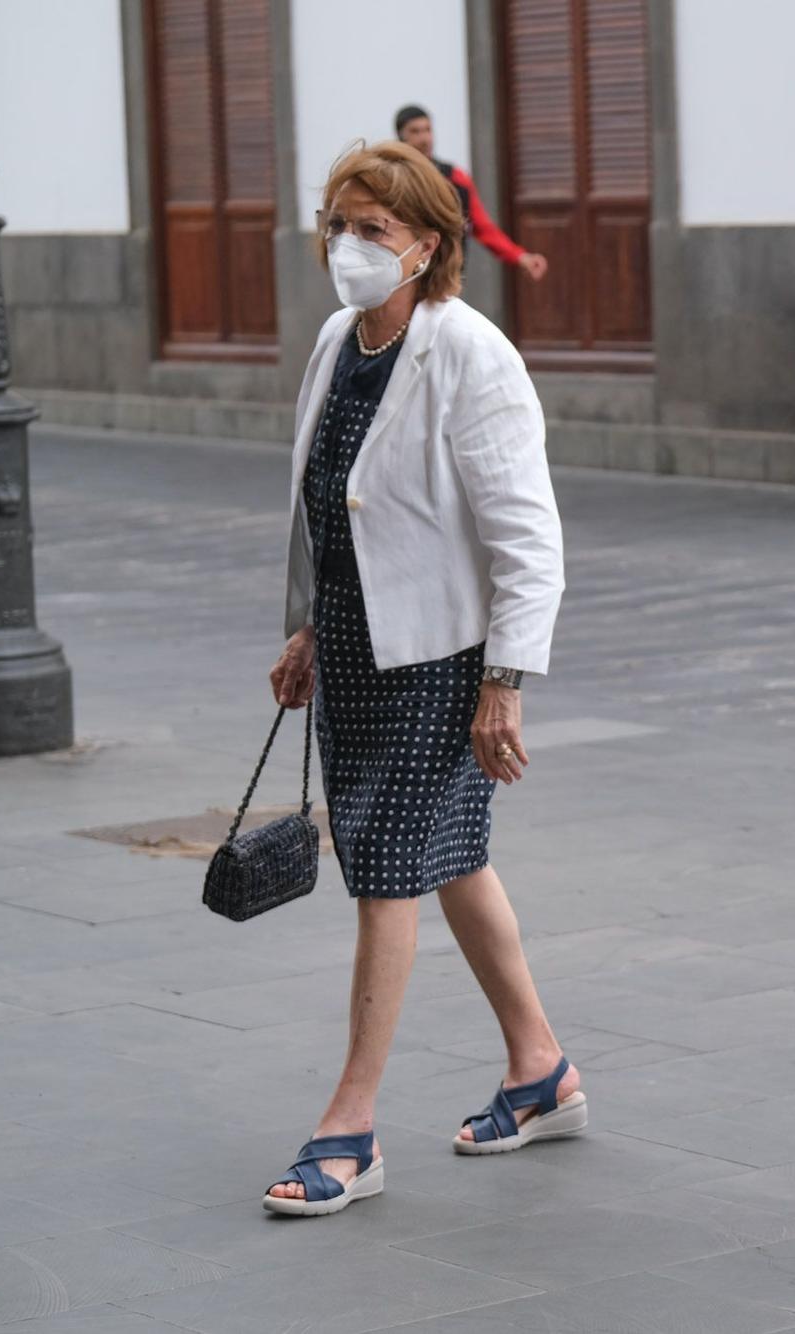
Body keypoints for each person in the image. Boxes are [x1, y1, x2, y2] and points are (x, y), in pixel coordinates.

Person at [262, 140, 580, 1216]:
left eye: (373, 229)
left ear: (428, 243)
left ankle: (347, 1122)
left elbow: (527, 535)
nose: (348, 247)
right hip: (353, 647)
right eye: (338, 225)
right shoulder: (336, 342)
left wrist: (505, 680)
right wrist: (304, 627)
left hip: (440, 658)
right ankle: (540, 1067)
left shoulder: (468, 352)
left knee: (388, 870)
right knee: (450, 859)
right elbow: (320, 501)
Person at [395, 104, 548, 283]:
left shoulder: (455, 177)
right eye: (415, 131)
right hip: (404, 277)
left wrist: (520, 257)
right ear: (401, 136)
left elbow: (482, 226)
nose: (424, 138)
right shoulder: (392, 179)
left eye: (428, 130)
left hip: (445, 278)